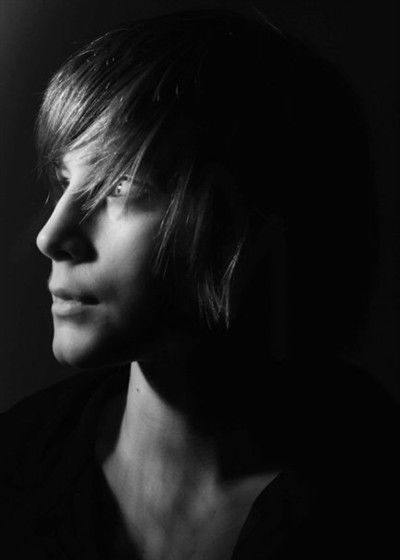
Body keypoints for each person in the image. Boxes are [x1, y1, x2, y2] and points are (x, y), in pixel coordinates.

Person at [1, 8, 398, 559]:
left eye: (120, 186)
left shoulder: (375, 504)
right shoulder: (15, 464)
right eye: (64, 181)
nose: (52, 236)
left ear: (252, 217)